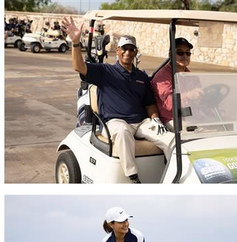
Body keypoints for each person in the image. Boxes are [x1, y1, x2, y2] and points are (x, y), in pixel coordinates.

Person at [62, 17, 174, 184]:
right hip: (115, 121)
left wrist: (155, 119)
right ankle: (133, 176)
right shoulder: (105, 71)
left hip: (141, 122)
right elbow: (79, 67)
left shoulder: (142, 76)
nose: (127, 52)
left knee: (171, 138)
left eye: (131, 49)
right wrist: (76, 43)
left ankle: (172, 175)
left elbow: (149, 103)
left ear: (136, 52)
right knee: (122, 132)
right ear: (117, 50)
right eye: (124, 49)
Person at [151, 38, 203, 130]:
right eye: (180, 53)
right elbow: (169, 103)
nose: (185, 56)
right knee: (198, 131)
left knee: (223, 126)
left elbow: (199, 101)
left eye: (188, 53)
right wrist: (189, 95)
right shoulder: (162, 77)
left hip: (191, 117)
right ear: (171, 55)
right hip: (172, 119)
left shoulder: (192, 76)